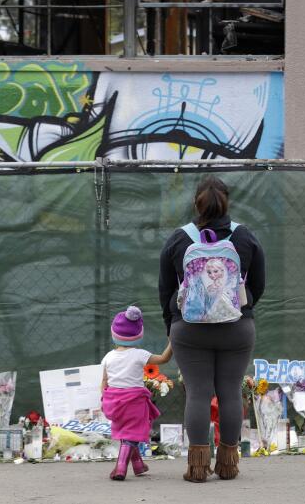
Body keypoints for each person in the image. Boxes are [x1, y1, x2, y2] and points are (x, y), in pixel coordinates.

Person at [158, 176, 265, 483]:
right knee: (230, 392)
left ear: (196, 203)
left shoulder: (179, 239)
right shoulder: (244, 237)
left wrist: (172, 326)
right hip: (237, 327)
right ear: (227, 202)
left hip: (189, 330)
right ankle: (229, 464)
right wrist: (243, 306)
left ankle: (197, 467)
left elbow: (165, 290)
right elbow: (258, 284)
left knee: (198, 394)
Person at [99, 305, 173, 481]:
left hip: (114, 402)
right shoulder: (140, 355)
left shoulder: (108, 357)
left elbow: (104, 381)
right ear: (138, 334)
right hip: (134, 401)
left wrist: (105, 398)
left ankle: (139, 465)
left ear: (114, 334)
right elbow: (164, 358)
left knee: (126, 433)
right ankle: (121, 467)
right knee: (132, 434)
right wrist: (173, 341)